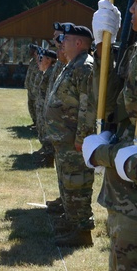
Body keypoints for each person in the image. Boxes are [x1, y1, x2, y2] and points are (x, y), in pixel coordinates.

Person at [41, 25, 96, 246]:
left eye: (67, 39)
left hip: (74, 140)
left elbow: (87, 106)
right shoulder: (72, 65)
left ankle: (82, 231)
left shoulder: (85, 67)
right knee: (68, 183)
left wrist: (82, 139)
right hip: (64, 139)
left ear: (79, 43)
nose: (61, 43)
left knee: (78, 184)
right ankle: (72, 222)